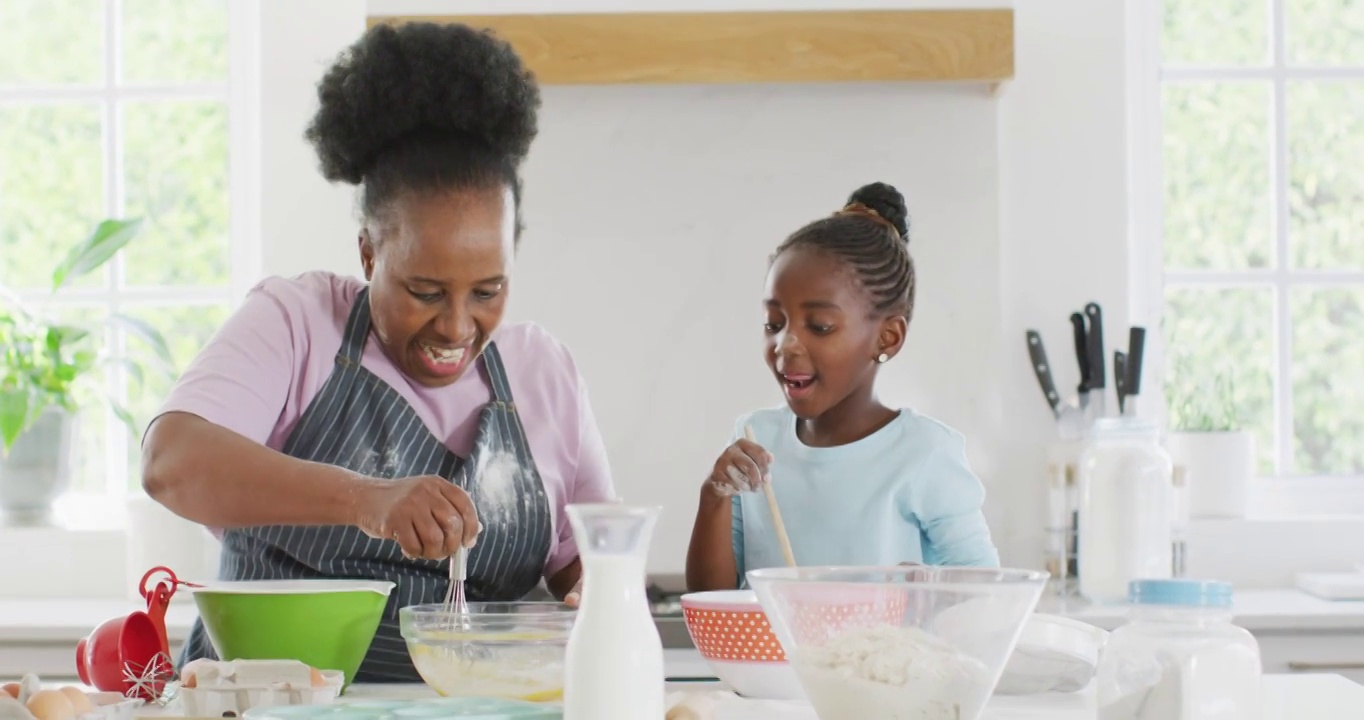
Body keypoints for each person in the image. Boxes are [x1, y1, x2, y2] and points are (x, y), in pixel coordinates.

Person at [140, 21, 615, 681]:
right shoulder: (297, 323)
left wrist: (597, 595)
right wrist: (368, 499)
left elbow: (587, 559)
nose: (455, 327)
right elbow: (171, 463)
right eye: (424, 290)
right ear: (369, 252)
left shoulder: (546, 373)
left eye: (487, 290)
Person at [685, 182, 1000, 591]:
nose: (786, 346)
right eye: (774, 324)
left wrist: (927, 595)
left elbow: (989, 597)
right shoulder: (755, 439)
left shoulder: (924, 454)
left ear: (887, 338)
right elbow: (714, 603)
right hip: (771, 659)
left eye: (819, 326)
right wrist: (713, 499)